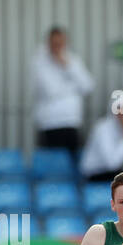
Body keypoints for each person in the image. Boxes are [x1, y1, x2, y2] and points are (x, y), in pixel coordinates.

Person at [31, 26, 96, 159]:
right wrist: (73, 86)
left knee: (74, 163)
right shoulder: (39, 62)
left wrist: (67, 66)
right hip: (50, 123)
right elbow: (50, 90)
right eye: (54, 43)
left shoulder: (73, 60)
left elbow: (88, 86)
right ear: (48, 43)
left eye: (60, 43)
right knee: (52, 165)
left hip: (72, 121)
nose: (57, 47)